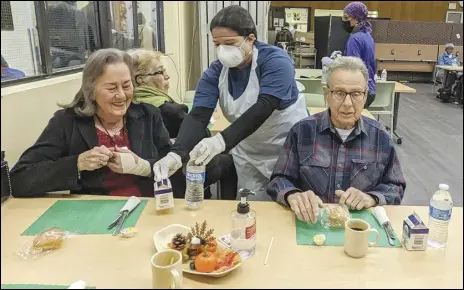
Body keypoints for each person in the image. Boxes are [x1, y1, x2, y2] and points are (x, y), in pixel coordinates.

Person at [153, 5, 308, 200]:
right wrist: (176, 154)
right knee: (253, 207)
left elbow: (265, 105)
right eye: (217, 44)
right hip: (248, 149)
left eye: (229, 43)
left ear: (250, 39)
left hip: (286, 149)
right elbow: (199, 115)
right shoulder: (217, 72)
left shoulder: (276, 61)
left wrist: (220, 141)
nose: (222, 50)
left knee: (289, 205)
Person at [10, 48, 185, 198]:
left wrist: (144, 167)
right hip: (92, 213)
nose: (122, 95)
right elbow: (19, 179)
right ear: (91, 90)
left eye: (126, 85)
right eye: (111, 88)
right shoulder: (67, 122)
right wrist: (77, 163)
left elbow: (174, 171)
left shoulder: (148, 115)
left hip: (147, 206)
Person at [267, 56, 406, 223]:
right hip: (311, 223)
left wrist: (372, 198)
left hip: (359, 227)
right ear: (327, 94)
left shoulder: (380, 136)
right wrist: (293, 195)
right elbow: (279, 179)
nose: (347, 103)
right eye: (339, 93)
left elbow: (396, 186)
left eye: (356, 94)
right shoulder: (302, 131)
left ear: (365, 96)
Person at [129, 49, 238, 199]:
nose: (167, 76)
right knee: (231, 161)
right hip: (175, 173)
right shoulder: (165, 110)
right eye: (160, 72)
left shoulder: (132, 107)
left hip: (149, 176)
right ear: (140, 80)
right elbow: (201, 133)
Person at [342, 2, 376, 109]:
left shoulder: (354, 39)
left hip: (357, 91)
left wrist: (335, 64)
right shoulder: (368, 36)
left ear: (356, 18)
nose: (344, 20)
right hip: (369, 89)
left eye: (346, 17)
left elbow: (352, 67)